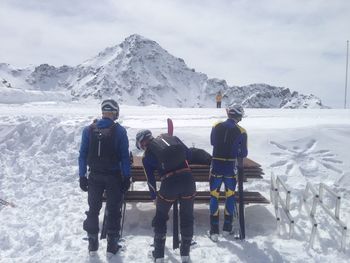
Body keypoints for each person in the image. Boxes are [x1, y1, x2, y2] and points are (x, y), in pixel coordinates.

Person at [78, 99, 131, 256]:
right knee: (114, 210)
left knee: (93, 210)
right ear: (115, 112)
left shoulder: (88, 130)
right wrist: (126, 177)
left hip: (94, 176)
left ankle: (93, 245)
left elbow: (82, 155)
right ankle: (112, 246)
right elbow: (124, 157)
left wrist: (82, 176)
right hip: (113, 177)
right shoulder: (120, 131)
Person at [135, 130, 196, 263]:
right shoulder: (171, 138)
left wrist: (154, 197)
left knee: (161, 217)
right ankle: (185, 253)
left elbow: (150, 180)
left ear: (142, 143)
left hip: (169, 185)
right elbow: (188, 154)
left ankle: (159, 255)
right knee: (187, 216)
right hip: (188, 181)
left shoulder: (147, 156)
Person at [209, 104, 248, 241]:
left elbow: (213, 142)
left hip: (216, 166)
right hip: (230, 167)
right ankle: (227, 228)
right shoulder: (242, 131)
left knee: (214, 196)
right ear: (238, 116)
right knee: (230, 196)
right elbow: (243, 153)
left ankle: (214, 231)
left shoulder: (216, 125)